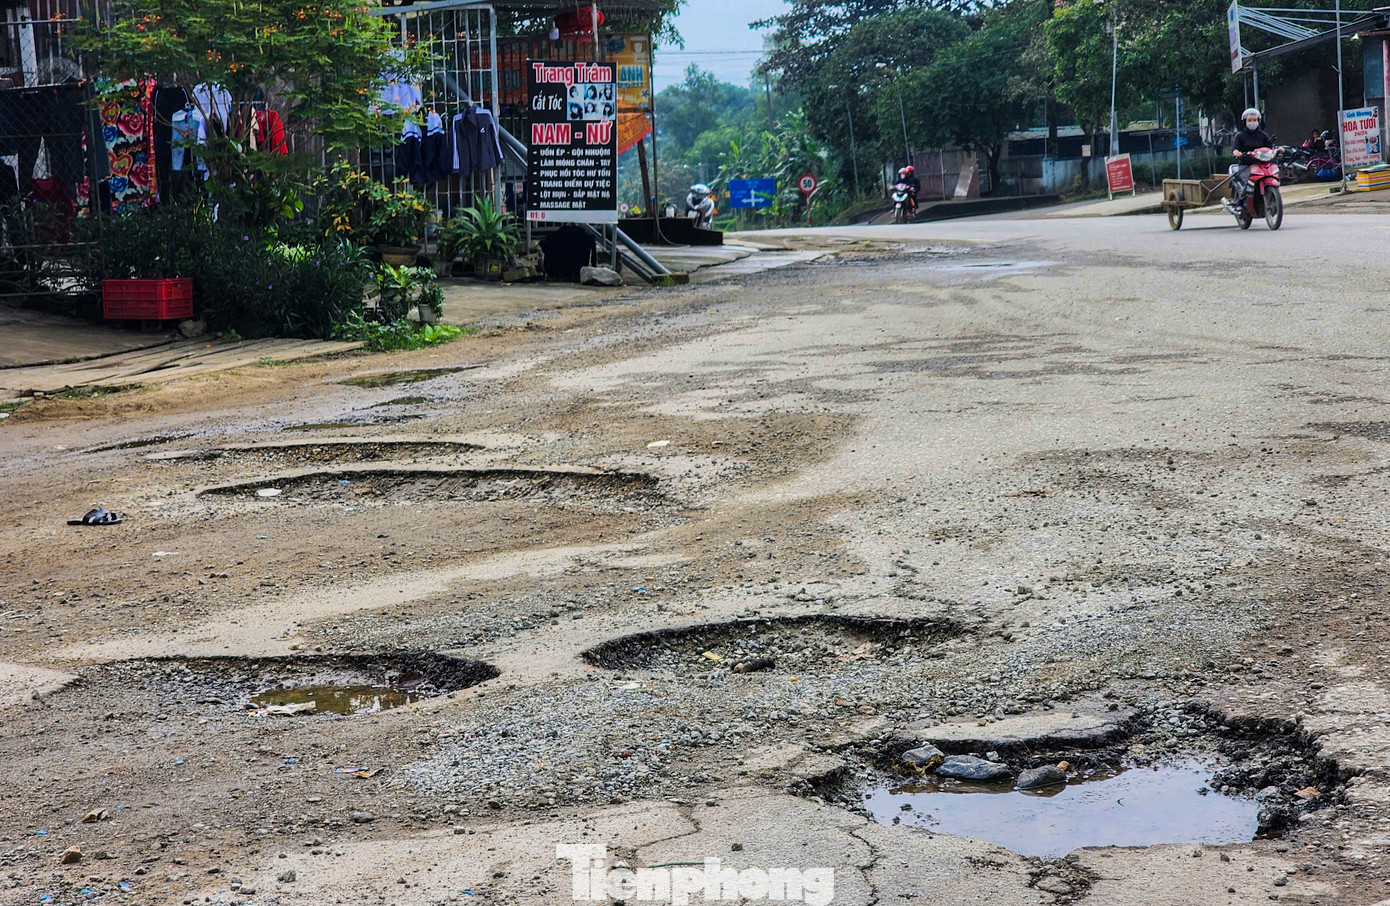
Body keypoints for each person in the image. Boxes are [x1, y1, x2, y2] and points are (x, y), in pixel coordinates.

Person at [1228, 107, 1272, 207]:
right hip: (1246, 166)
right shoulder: (1240, 136)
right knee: (1249, 183)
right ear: (1245, 122)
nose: (1252, 122)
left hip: (1262, 165)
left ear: (1259, 121)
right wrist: (1237, 153)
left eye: (1255, 120)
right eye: (1250, 120)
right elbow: (1235, 149)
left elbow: (1270, 147)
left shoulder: (1263, 135)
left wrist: (1278, 150)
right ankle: (1239, 204)